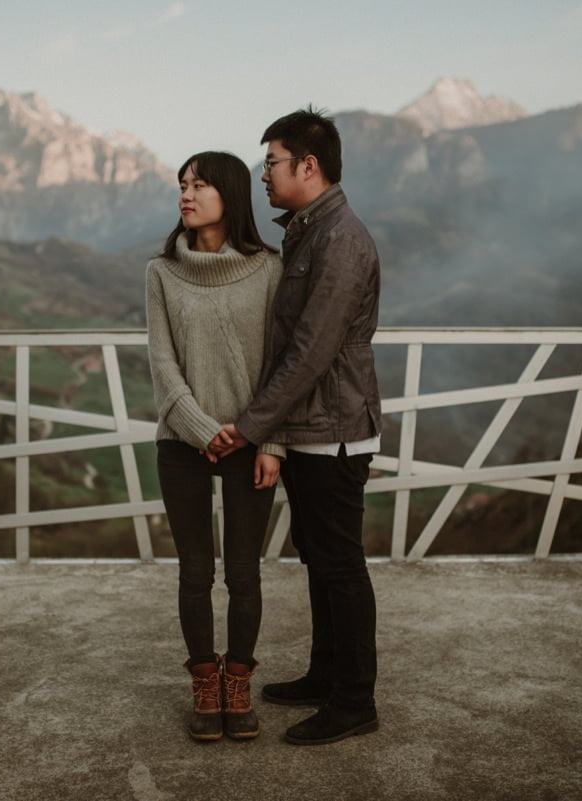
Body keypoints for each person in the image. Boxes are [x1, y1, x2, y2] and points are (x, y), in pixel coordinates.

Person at [209, 107, 383, 746]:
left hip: (335, 428)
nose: (264, 175)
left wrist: (250, 427)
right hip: (313, 427)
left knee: (339, 564)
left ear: (309, 166)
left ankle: (355, 699)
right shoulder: (309, 232)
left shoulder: (341, 239)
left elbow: (310, 349)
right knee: (318, 558)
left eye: (273, 162)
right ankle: (326, 674)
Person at [146, 150, 285, 742]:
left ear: (230, 193)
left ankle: (239, 683)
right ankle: (205, 684)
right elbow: (161, 363)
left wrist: (267, 440)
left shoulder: (269, 270)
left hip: (252, 443)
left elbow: (281, 366)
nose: (187, 193)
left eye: (199, 184)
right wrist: (204, 430)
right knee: (195, 572)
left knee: (245, 573)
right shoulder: (160, 272)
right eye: (182, 184)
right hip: (183, 443)